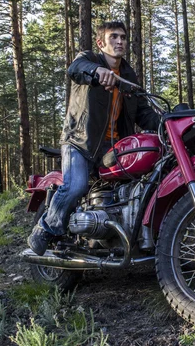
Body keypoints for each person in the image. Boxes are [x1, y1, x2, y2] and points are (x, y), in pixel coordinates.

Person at [28, 21, 160, 256]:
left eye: (123, 37)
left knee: (142, 186)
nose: (120, 41)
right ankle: (45, 227)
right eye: (114, 37)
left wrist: (167, 121)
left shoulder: (128, 75)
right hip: (80, 142)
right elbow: (75, 68)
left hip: (116, 148)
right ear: (101, 43)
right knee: (76, 185)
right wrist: (97, 72)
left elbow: (142, 112)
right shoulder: (89, 61)